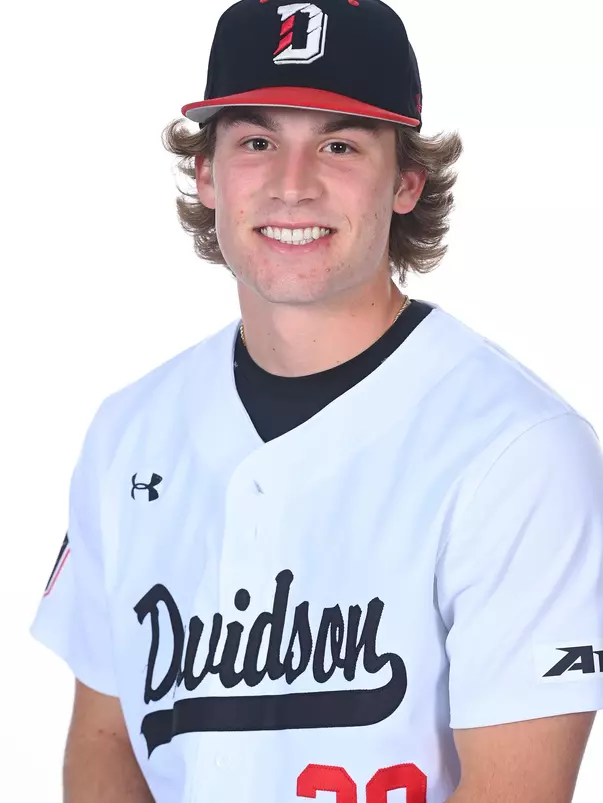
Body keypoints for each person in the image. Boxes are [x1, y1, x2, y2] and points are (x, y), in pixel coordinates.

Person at [31, 0, 603, 801]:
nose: (292, 186)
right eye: (257, 142)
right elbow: (105, 736)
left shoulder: (520, 448)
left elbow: (516, 788)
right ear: (206, 174)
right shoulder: (128, 431)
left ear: (406, 182)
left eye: (338, 145)